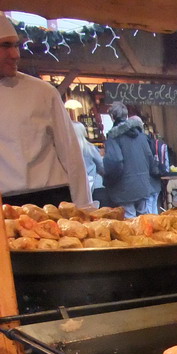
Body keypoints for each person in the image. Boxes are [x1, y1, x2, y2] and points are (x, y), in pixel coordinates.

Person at [0, 14, 91, 208]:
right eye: (5, 46)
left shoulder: (42, 92)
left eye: (16, 45)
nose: (15, 54)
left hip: (49, 201)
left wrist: (85, 210)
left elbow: (71, 155)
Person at [102, 101, 162, 217]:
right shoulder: (141, 135)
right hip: (143, 184)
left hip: (124, 187)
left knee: (130, 224)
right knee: (144, 220)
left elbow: (115, 161)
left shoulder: (113, 136)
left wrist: (109, 179)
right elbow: (150, 157)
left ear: (112, 116)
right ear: (126, 115)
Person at [72, 120, 107, 207]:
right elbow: (101, 167)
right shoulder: (90, 148)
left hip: (76, 188)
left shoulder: (66, 150)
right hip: (95, 187)